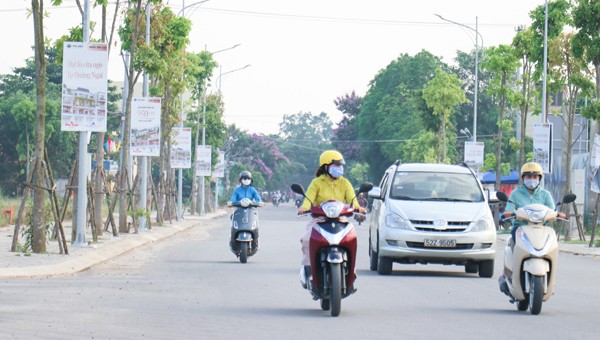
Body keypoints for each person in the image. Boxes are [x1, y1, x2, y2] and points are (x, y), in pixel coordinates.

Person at [297, 150, 366, 287]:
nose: (339, 168)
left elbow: (352, 199)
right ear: (326, 167)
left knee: (352, 238)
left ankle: (351, 270)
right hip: (320, 220)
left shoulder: (345, 183)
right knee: (306, 240)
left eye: (340, 165)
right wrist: (304, 207)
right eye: (336, 165)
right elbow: (309, 199)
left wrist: (358, 207)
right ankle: (308, 270)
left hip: (341, 220)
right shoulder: (317, 183)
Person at [502, 162, 566, 242]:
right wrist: (508, 213)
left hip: (542, 228)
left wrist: (558, 214)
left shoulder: (545, 194)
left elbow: (552, 210)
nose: (532, 179)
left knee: (552, 242)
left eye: (535, 177)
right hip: (520, 228)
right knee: (515, 241)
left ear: (539, 178)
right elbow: (509, 209)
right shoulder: (515, 194)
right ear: (523, 178)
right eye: (529, 177)